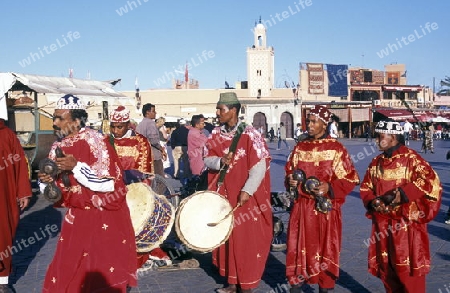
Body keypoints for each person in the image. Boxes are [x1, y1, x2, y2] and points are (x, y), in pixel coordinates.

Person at [39, 94, 137, 292]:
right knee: (67, 269)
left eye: (61, 118)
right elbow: (57, 193)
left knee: (101, 270)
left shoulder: (96, 140)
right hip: (76, 217)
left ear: (76, 120)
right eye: (54, 117)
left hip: (103, 215)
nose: (55, 123)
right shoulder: (57, 146)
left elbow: (108, 184)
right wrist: (47, 182)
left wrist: (76, 167)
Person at [359, 120, 442, 292]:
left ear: (393, 137)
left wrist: (403, 195)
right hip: (383, 226)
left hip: (406, 227)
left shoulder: (412, 159)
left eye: (380, 136)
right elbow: (366, 187)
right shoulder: (376, 163)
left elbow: (431, 181)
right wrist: (373, 201)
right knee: (389, 274)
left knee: (409, 277)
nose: (376, 141)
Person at [285, 105, 359, 293]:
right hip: (301, 210)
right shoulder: (300, 148)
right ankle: (296, 284)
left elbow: (351, 178)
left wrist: (330, 187)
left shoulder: (336, 149)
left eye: (313, 121)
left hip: (325, 211)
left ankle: (324, 287)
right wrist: (290, 180)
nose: (308, 125)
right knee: (298, 250)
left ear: (324, 124)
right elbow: (289, 170)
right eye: (308, 121)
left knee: (325, 250)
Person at [204, 92, 272, 293]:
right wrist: (219, 162)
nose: (217, 113)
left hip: (244, 197)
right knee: (226, 237)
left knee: (244, 239)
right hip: (223, 195)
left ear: (233, 110)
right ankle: (231, 283)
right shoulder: (215, 134)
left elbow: (259, 166)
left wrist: (247, 190)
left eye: (221, 109)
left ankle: (247, 283)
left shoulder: (251, 134)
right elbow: (206, 157)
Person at [109, 106, 173, 271]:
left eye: (119, 126)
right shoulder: (106, 141)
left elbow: (145, 170)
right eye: (113, 126)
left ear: (128, 124)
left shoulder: (141, 141)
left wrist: (139, 190)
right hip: (112, 191)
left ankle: (141, 254)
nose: (115, 130)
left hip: (135, 191)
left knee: (136, 225)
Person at [0, 118, 31, 293]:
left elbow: (20, 165)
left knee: (2, 237)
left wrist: (23, 192)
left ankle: (1, 281)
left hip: (2, 197)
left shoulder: (7, 135)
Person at [137, 103, 168, 178]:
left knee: (149, 179)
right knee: (160, 180)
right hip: (154, 156)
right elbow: (153, 140)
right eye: (153, 111)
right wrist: (161, 149)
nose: (155, 113)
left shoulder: (140, 125)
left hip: (144, 156)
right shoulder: (150, 123)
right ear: (148, 112)